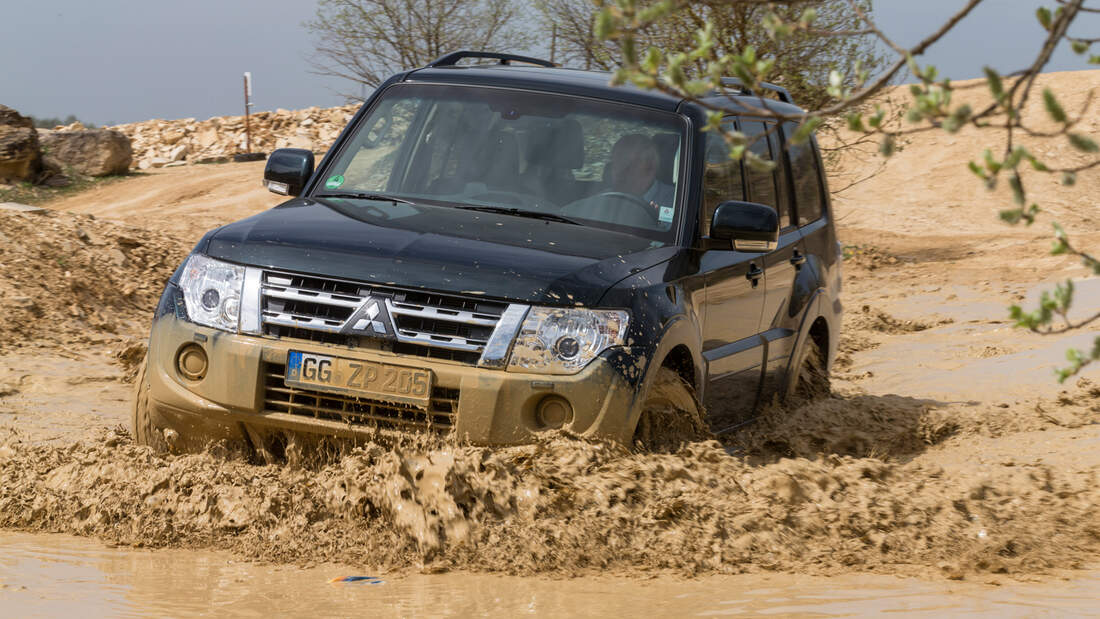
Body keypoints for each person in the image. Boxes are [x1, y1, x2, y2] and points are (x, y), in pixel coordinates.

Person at [606, 134, 675, 225]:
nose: (619, 171)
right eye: (615, 164)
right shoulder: (603, 199)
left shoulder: (675, 201)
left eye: (628, 165)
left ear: (650, 167)